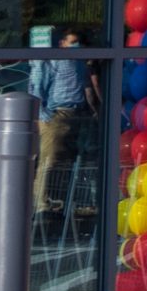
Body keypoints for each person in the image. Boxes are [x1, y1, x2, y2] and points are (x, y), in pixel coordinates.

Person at [27, 31, 93, 215]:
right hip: (56, 114)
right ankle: (41, 202)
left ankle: (62, 199)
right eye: (73, 42)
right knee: (50, 158)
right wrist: (43, 113)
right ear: (63, 43)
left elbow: (85, 86)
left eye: (78, 42)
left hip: (76, 113)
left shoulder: (79, 63)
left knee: (67, 159)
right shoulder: (54, 60)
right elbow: (39, 84)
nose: (76, 45)